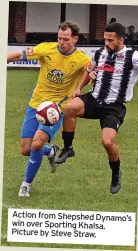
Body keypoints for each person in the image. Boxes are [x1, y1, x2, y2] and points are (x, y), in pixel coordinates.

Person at [55, 22, 138, 194]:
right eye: (105, 40)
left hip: (114, 107)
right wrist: (80, 87)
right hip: (95, 99)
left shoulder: (133, 57)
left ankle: (116, 172)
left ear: (121, 39)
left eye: (110, 40)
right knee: (70, 107)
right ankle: (68, 148)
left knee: (107, 142)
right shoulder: (100, 53)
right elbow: (89, 71)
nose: (107, 44)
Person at [7, 21, 91, 197]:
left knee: (36, 143)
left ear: (75, 39)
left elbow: (89, 72)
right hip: (36, 103)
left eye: (66, 39)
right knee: (25, 149)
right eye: (59, 38)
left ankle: (26, 184)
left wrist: (80, 87)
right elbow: (18, 56)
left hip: (56, 108)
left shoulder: (82, 59)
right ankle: (51, 151)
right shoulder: (46, 49)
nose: (61, 42)